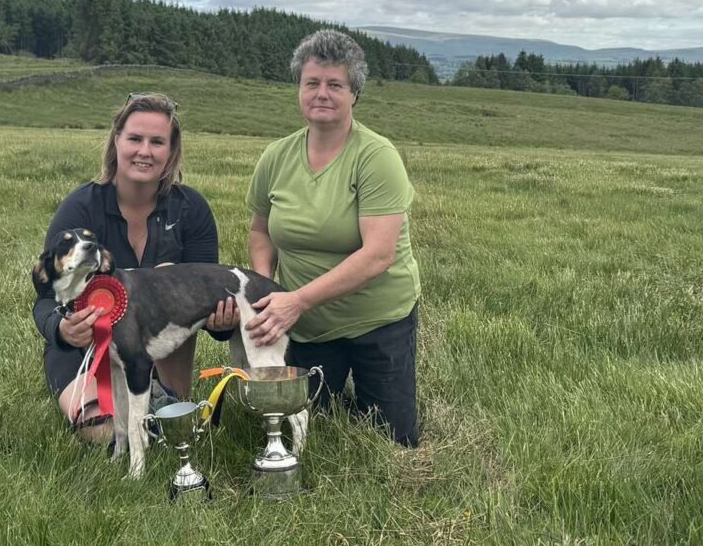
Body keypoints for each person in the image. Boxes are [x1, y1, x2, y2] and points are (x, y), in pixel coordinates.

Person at [244, 30, 421, 446]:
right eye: (312, 83)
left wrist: (297, 301)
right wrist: (267, 287)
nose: (321, 93)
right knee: (310, 435)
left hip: (378, 320)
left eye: (335, 85)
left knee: (394, 441)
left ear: (354, 94)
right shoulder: (276, 156)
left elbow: (378, 255)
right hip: (308, 327)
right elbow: (260, 229)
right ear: (299, 89)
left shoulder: (377, 157)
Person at [33, 92, 238, 440]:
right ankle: (123, 408)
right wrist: (62, 329)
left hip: (163, 346)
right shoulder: (80, 209)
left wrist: (223, 324)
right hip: (85, 349)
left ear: (171, 150)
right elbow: (44, 299)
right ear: (117, 141)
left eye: (157, 142)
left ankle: (168, 401)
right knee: (103, 433)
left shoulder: (191, 210)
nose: (145, 151)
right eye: (135, 139)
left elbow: (206, 295)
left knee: (169, 431)